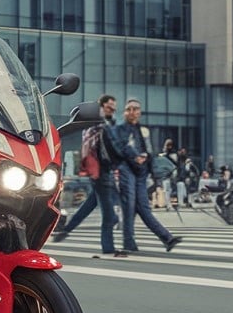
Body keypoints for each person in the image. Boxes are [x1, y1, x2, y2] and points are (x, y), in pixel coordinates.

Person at [51, 95, 122, 256]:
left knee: (89, 206)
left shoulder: (96, 127)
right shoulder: (99, 127)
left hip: (100, 173)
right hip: (101, 173)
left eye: (114, 107)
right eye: (110, 107)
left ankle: (66, 229)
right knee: (109, 215)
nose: (113, 110)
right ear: (101, 107)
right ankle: (108, 247)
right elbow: (107, 150)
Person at [111, 98, 182, 254]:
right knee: (129, 208)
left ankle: (167, 238)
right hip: (126, 170)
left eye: (135, 109)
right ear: (124, 112)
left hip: (141, 173)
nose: (132, 112)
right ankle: (131, 242)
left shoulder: (143, 130)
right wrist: (135, 156)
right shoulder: (119, 129)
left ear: (139, 112)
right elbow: (121, 147)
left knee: (143, 208)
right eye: (129, 109)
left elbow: (149, 150)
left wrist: (151, 168)